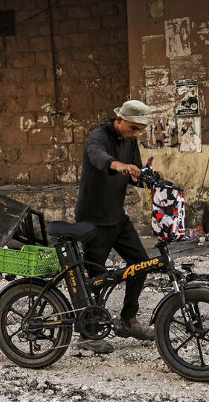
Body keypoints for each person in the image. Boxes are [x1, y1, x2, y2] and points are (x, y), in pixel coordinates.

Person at [73, 99, 155, 354]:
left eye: (140, 130)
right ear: (119, 120)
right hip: (93, 220)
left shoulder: (130, 141)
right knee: (95, 279)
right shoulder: (98, 137)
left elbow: (135, 174)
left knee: (141, 264)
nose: (137, 134)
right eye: (134, 128)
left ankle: (128, 320)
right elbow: (98, 157)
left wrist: (148, 177)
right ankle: (87, 335)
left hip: (117, 218)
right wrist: (119, 165)